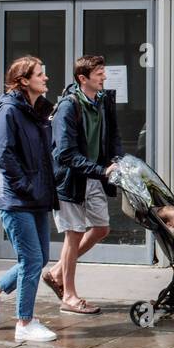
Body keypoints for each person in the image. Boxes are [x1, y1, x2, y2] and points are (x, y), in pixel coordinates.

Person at [0, 56, 60, 342]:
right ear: (24, 80)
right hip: (18, 199)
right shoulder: (9, 111)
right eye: (40, 74)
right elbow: (4, 154)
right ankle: (25, 323)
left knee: (39, 258)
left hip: (37, 195)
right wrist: (25, 186)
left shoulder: (39, 110)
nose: (45, 78)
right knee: (32, 259)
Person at [42, 55, 122, 315]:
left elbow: (113, 136)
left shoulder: (102, 101)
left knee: (101, 228)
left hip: (94, 175)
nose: (104, 77)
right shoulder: (69, 106)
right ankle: (69, 296)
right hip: (70, 179)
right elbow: (65, 153)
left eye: (103, 71)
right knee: (74, 234)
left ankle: (55, 272)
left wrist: (117, 160)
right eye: (99, 73)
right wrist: (100, 170)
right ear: (82, 78)